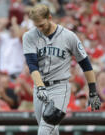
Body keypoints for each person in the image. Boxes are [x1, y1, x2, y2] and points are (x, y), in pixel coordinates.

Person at [22, 4, 101, 135]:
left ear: (50, 17)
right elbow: (32, 65)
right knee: (51, 131)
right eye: (36, 26)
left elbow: (85, 64)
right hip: (39, 88)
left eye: (41, 25)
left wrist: (93, 91)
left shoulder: (69, 36)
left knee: (45, 130)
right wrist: (40, 86)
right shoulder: (29, 36)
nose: (39, 29)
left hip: (59, 88)